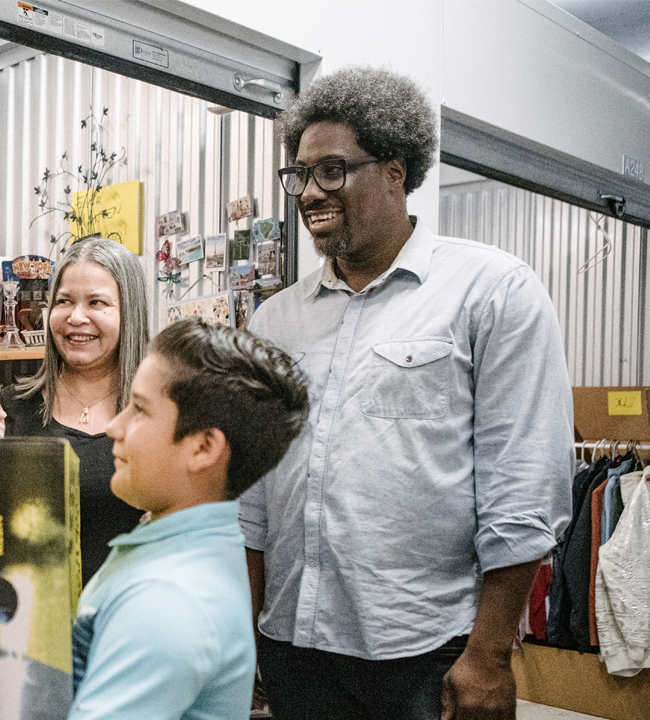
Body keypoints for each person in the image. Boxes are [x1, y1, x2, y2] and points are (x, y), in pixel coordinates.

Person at [241, 66, 574, 720]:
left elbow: (524, 482)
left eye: (331, 170)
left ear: (396, 171)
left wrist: (487, 655)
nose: (309, 192)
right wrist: (242, 639)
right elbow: (252, 501)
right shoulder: (275, 321)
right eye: (300, 175)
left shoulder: (491, 292)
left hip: (427, 653)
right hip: (292, 649)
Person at [69, 318, 309, 720]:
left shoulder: (166, 604)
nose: (115, 426)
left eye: (140, 410)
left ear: (202, 447)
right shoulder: (176, 544)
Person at [0, 238, 149, 583]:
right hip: (35, 621)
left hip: (128, 621)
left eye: (96, 303)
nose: (76, 317)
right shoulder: (10, 411)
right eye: (64, 301)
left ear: (129, 312)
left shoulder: (157, 417)